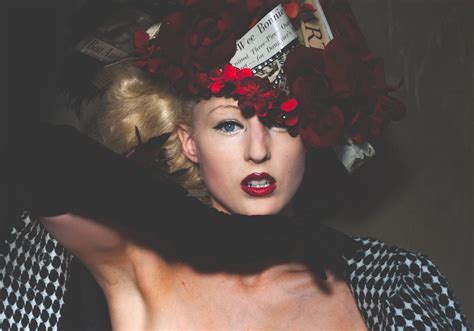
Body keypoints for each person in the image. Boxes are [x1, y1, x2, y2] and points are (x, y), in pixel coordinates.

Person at [1, 0, 470, 330]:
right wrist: (211, 237)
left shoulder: (390, 285)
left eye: (284, 120)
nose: (258, 150)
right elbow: (37, 157)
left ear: (313, 132)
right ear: (189, 143)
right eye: (229, 125)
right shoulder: (136, 265)